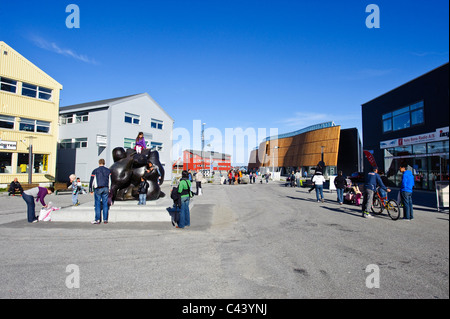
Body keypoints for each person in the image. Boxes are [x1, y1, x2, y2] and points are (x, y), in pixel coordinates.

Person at [89, 159, 112, 225]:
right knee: (105, 204)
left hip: (98, 188)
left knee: (97, 204)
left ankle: (97, 219)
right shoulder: (108, 170)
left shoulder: (95, 170)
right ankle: (105, 219)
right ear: (104, 163)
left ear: (99, 163)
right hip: (106, 188)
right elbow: (110, 180)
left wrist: (91, 189)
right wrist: (109, 188)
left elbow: (92, 180)